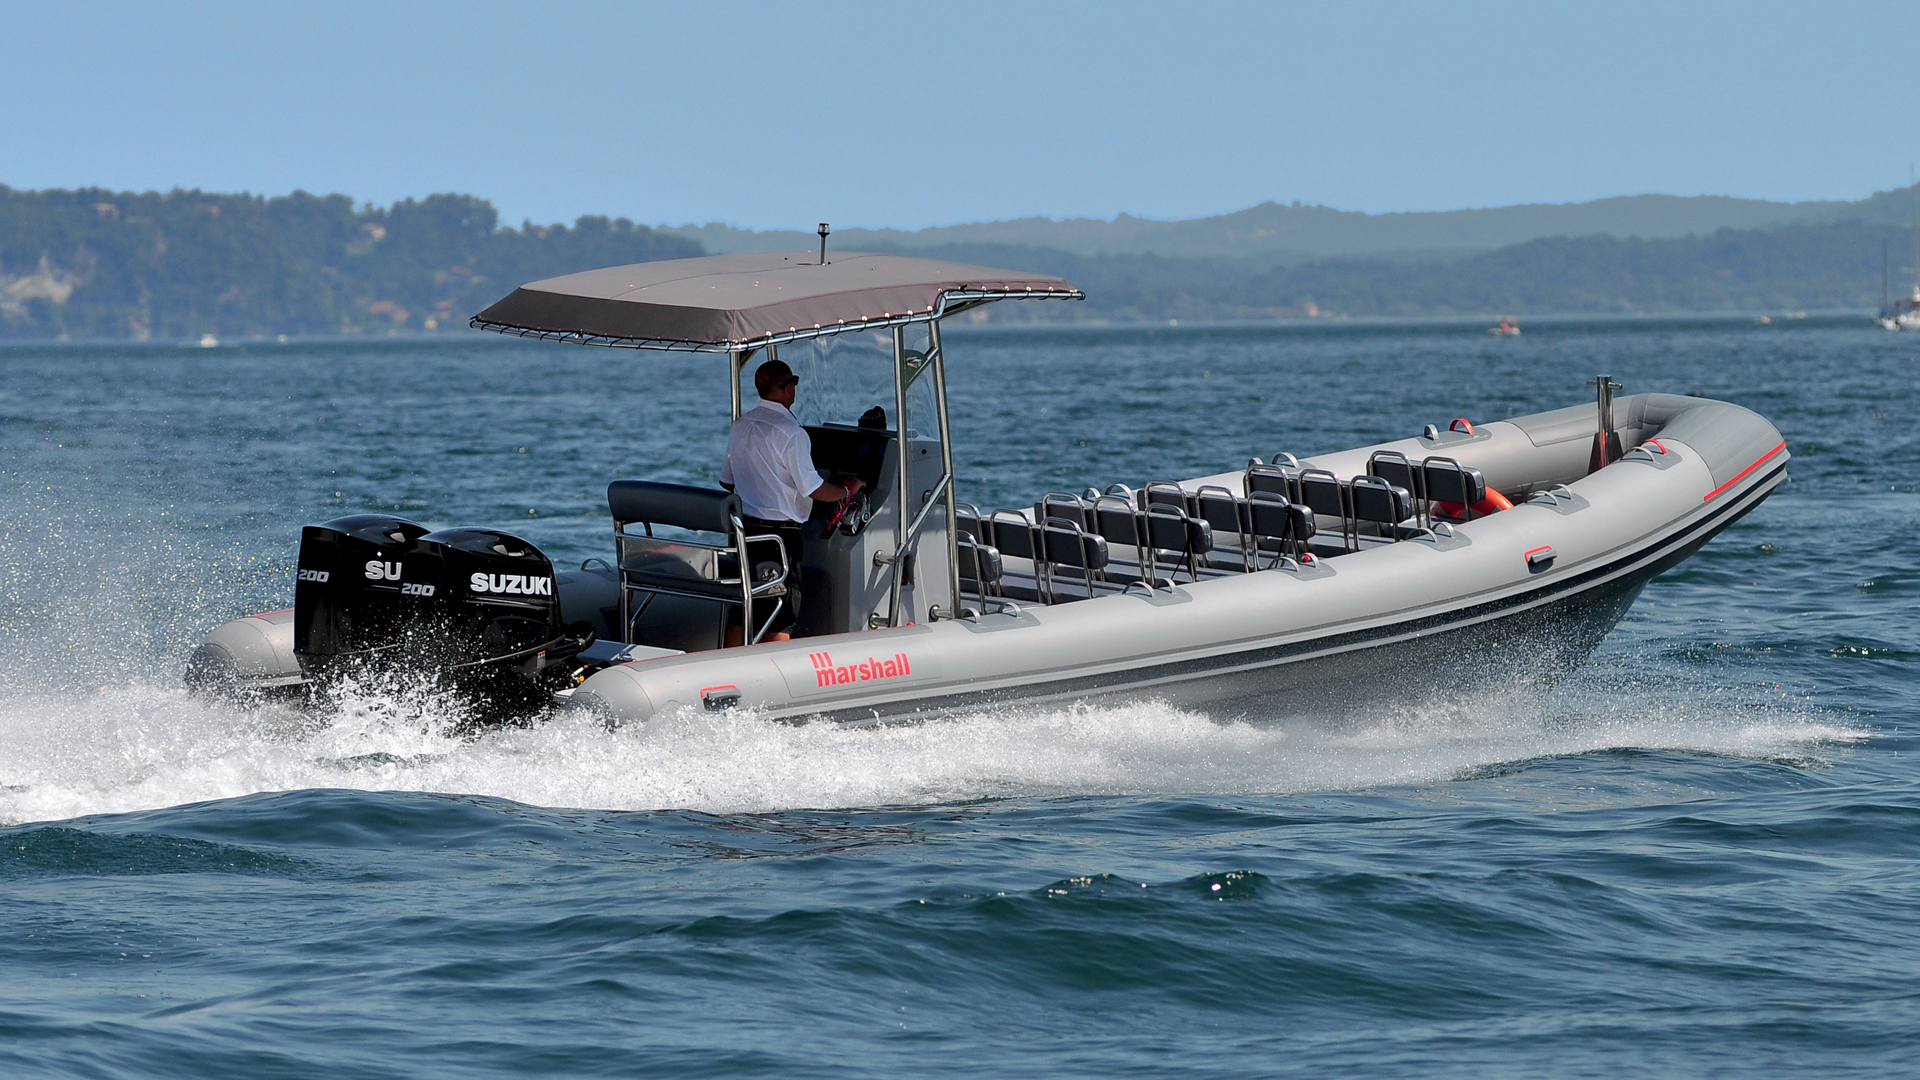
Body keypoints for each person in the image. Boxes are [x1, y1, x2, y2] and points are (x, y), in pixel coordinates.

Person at [719, 357, 865, 645]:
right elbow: (815, 490)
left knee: (743, 607)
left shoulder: (741, 425)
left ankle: (727, 670)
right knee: (781, 609)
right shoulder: (792, 433)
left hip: (744, 532)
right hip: (779, 537)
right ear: (787, 389)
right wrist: (847, 490)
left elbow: (727, 481)